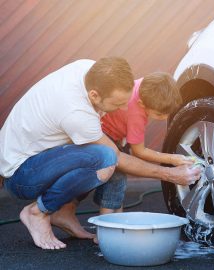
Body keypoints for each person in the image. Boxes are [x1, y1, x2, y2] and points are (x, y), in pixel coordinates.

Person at [0, 57, 201, 250]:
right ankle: (38, 212)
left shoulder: (88, 69)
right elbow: (117, 157)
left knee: (102, 157)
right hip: (22, 176)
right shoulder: (77, 113)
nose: (123, 108)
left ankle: (64, 212)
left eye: (126, 101)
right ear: (94, 95)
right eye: (117, 104)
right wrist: (169, 174)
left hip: (30, 157)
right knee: (105, 159)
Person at [94, 72, 194, 215]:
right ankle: (105, 227)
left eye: (168, 113)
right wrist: (172, 158)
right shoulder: (136, 114)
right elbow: (139, 151)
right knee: (116, 179)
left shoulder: (145, 86)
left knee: (117, 182)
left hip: (108, 131)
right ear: (142, 104)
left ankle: (118, 221)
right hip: (105, 136)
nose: (164, 118)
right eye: (159, 114)